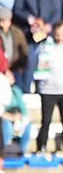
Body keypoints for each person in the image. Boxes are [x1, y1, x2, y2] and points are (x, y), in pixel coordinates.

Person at [34, 20, 63, 153]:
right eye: (57, 34)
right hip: (48, 90)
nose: (59, 37)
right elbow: (38, 64)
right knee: (46, 121)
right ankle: (41, 147)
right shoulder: (45, 46)